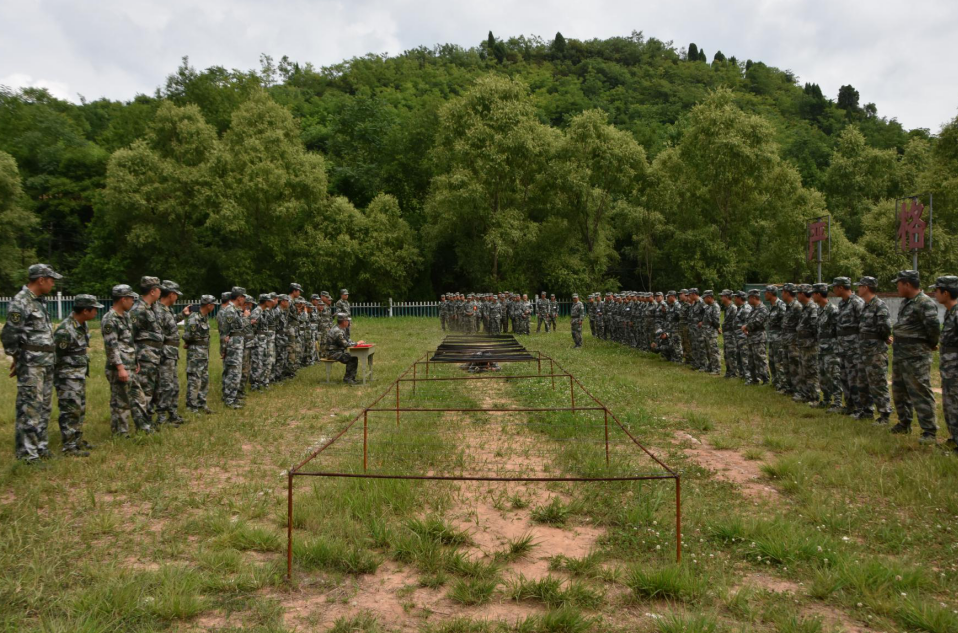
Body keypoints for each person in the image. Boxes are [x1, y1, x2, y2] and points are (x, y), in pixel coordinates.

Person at [1, 264, 62, 462]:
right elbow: (10, 334)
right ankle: (27, 454)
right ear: (41, 279)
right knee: (29, 408)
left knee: (44, 407)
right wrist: (17, 357)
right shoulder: (21, 302)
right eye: (51, 279)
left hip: (45, 362)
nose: (53, 283)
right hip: (31, 364)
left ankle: (40, 447)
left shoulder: (39, 301)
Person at [889, 270, 939, 443]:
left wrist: (930, 344)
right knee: (899, 390)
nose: (897, 287)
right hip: (900, 354)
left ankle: (929, 431)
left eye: (899, 284)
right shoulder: (906, 302)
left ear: (907, 284)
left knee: (920, 391)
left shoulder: (925, 303)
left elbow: (933, 329)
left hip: (916, 356)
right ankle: (904, 422)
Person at [53, 294, 103, 456]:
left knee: (79, 409)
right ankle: (68, 446)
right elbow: (55, 356)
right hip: (67, 377)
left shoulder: (82, 325)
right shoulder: (65, 330)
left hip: (78, 375)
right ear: (85, 310)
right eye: (94, 309)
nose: (96, 312)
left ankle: (76, 440)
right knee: (69, 410)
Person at [101, 284, 153, 436]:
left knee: (138, 397)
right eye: (131, 298)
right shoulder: (110, 319)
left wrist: (135, 360)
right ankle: (120, 433)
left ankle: (143, 428)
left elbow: (128, 342)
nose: (133, 301)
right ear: (123, 299)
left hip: (129, 365)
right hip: (119, 367)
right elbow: (112, 346)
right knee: (121, 401)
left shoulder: (126, 317)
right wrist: (120, 368)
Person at [855, 276, 893, 425]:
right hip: (864, 351)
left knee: (878, 383)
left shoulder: (879, 305)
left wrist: (883, 339)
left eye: (860, 286)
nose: (858, 289)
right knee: (863, 383)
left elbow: (885, 328)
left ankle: (884, 414)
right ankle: (867, 411)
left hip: (875, 352)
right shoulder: (865, 305)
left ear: (866, 287)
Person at [130, 276, 164, 427]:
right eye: (159, 289)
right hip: (144, 357)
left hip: (154, 356)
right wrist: (134, 359)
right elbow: (129, 335)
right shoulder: (138, 310)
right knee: (144, 391)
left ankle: (148, 420)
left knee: (153, 390)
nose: (160, 292)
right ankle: (142, 425)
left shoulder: (152, 308)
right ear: (152, 291)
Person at [931, 276, 958, 455]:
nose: (935, 294)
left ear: (945, 293)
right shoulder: (950, 312)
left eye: (937, 290)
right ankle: (954, 438)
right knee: (950, 406)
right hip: (950, 371)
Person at [833, 277, 866, 417]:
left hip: (854, 348)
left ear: (841, 287)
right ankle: (849, 406)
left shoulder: (857, 302)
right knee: (844, 377)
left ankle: (860, 408)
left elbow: (863, 324)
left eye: (834, 287)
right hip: (843, 348)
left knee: (854, 378)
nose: (833, 290)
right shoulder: (841, 304)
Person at [154, 280, 184, 426]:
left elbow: (169, 325)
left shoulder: (167, 310)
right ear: (171, 294)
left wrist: (182, 315)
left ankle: (172, 413)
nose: (176, 298)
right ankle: (161, 417)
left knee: (173, 385)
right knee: (165, 386)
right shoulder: (158, 310)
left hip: (171, 353)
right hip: (164, 354)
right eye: (176, 295)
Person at [182, 295, 216, 414]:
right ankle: (191, 406)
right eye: (213, 304)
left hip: (203, 352)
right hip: (195, 353)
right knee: (194, 379)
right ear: (208, 305)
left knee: (204, 378)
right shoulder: (194, 317)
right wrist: (189, 343)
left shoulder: (204, 317)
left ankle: (202, 403)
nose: (214, 307)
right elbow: (187, 335)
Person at [812, 283, 842, 410]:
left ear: (819, 294)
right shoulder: (819, 309)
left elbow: (838, 330)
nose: (812, 296)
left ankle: (838, 402)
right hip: (822, 348)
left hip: (832, 349)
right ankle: (826, 399)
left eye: (814, 293)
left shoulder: (833, 310)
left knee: (834, 375)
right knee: (823, 375)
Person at [219, 287, 246, 409]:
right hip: (234, 345)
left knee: (234, 371)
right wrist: (245, 317)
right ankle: (230, 399)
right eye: (243, 297)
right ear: (239, 297)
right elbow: (227, 331)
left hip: (236, 343)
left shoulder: (234, 309)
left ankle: (231, 397)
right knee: (233, 372)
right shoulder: (230, 310)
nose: (244, 299)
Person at [794, 284, 820, 404]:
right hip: (803, 345)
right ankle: (805, 395)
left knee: (811, 371)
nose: (796, 296)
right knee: (803, 371)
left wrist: (813, 342)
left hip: (810, 345)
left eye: (798, 293)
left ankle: (814, 396)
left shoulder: (812, 308)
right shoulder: (804, 308)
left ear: (803, 294)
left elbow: (815, 328)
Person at [743, 289, 769, 385]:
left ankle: (765, 379)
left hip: (759, 337)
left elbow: (757, 322)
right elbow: (748, 320)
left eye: (749, 298)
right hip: (751, 337)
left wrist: (746, 327)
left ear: (754, 297)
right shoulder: (753, 309)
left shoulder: (763, 309)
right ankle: (754, 379)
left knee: (760, 359)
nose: (748, 300)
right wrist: (746, 327)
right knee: (751, 360)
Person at [765, 286, 787, 392]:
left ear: (771, 293)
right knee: (772, 362)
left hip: (779, 339)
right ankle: (775, 382)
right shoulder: (771, 306)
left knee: (779, 363)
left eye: (766, 292)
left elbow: (784, 322)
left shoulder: (780, 305)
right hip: (771, 338)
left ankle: (783, 385)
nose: (765, 294)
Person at [328, 313, 360, 385]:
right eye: (347, 321)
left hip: (337, 351)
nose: (349, 322)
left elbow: (347, 340)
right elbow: (345, 344)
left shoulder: (340, 329)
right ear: (344, 321)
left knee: (353, 357)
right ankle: (348, 379)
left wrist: (355, 343)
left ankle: (351, 378)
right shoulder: (337, 331)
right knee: (352, 358)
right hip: (332, 353)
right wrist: (357, 343)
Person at [720, 290, 738, 378]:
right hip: (727, 335)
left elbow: (735, 323)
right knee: (727, 354)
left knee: (731, 354)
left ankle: (734, 373)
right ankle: (728, 372)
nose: (721, 298)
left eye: (722, 296)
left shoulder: (733, 308)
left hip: (731, 335)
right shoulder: (727, 308)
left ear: (727, 297)